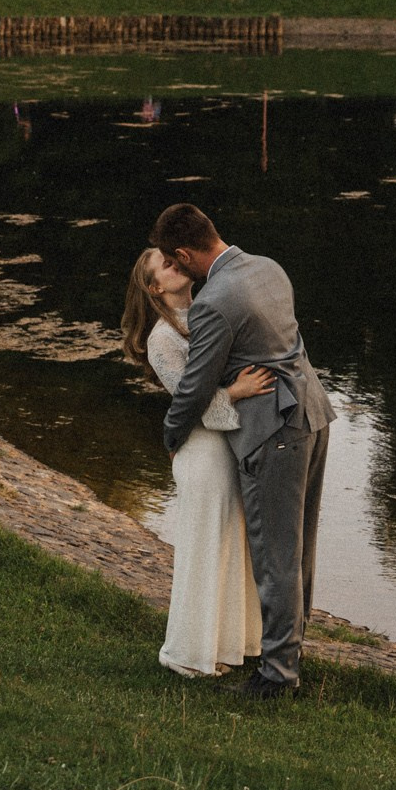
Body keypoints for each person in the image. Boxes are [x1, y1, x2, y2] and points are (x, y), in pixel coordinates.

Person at [151, 203, 335, 699]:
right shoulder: (268, 267)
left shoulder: (215, 302)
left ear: (186, 254)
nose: (173, 268)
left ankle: (278, 676)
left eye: (173, 260)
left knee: (274, 556)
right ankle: (291, 651)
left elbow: (193, 390)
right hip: (314, 412)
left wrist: (171, 437)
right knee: (300, 549)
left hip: (274, 429)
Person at [121, 248, 274, 677]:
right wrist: (239, 391)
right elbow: (195, 406)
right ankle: (189, 654)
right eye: (164, 266)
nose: (174, 264)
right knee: (205, 547)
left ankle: (232, 645)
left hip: (229, 447)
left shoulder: (209, 310)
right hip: (202, 453)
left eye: (174, 257)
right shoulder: (162, 340)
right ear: (155, 288)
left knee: (233, 543)